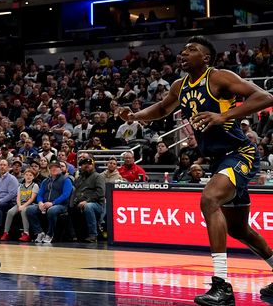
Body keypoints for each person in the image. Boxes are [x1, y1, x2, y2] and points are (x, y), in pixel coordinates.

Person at [119, 36, 273, 304]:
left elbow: (264, 96)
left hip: (239, 154)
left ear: (205, 58)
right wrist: (134, 117)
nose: (184, 53)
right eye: (184, 49)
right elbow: (162, 108)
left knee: (209, 199)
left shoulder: (219, 77)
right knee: (238, 230)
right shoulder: (180, 86)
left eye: (192, 50)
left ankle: (221, 285)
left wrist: (224, 116)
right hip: (218, 160)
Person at [26, 158, 73, 244]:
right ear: (49, 169)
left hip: (61, 205)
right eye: (52, 167)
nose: (54, 169)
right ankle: (39, 232)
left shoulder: (66, 180)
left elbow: (65, 195)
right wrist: (40, 202)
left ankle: (50, 234)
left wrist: (52, 203)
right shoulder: (45, 181)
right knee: (30, 209)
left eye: (56, 167)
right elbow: (40, 194)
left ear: (60, 169)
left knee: (52, 210)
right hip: (45, 204)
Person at [68, 157, 105, 242]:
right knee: (69, 208)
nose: (87, 166)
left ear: (93, 165)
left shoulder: (98, 176)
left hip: (97, 204)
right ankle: (74, 235)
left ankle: (93, 235)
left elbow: (100, 193)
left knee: (88, 206)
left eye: (89, 164)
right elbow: (75, 191)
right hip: (80, 202)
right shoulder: (80, 178)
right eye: (84, 164)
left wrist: (87, 201)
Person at [1, 169, 39, 242]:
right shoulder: (20, 186)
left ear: (33, 177)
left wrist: (23, 206)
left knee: (23, 211)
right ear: (24, 176)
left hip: (29, 204)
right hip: (20, 204)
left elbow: (32, 198)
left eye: (30, 175)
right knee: (10, 212)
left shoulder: (35, 185)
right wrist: (19, 206)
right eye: (27, 175)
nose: (28, 177)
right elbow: (18, 198)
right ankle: (6, 232)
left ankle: (26, 233)